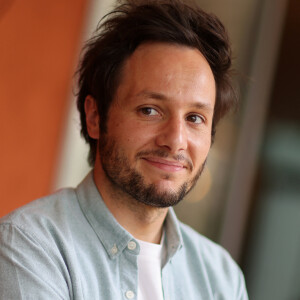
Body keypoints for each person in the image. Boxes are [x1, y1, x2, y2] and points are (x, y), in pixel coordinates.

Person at [0, 0, 248, 299]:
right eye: (150, 110)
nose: (176, 140)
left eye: (195, 118)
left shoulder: (220, 276)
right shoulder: (29, 247)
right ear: (95, 117)